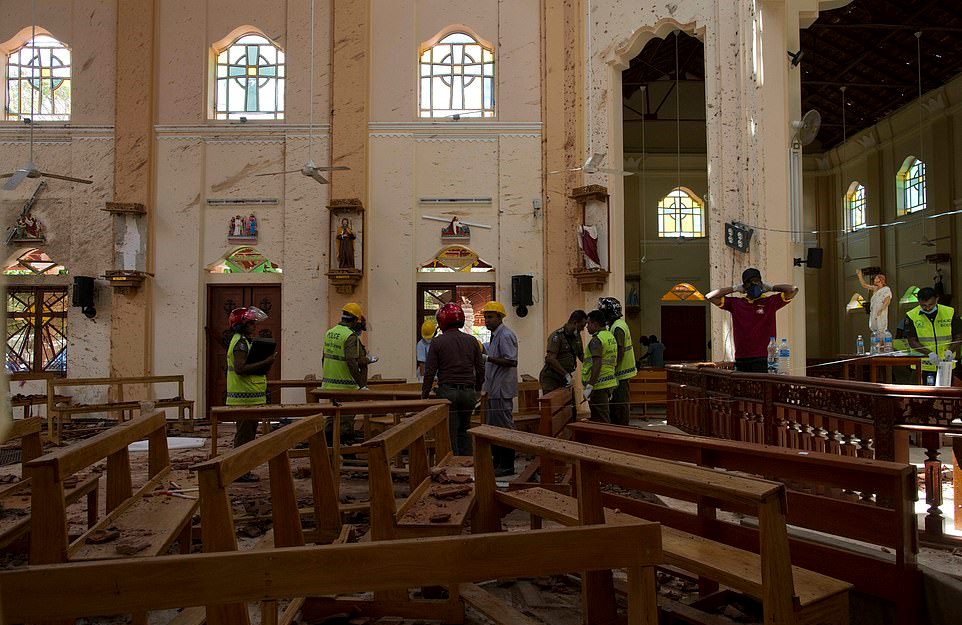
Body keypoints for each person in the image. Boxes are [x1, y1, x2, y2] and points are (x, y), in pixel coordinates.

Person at [421, 303, 485, 456]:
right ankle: (468, 464)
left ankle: (453, 465)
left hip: (447, 392)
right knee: (465, 430)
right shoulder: (472, 341)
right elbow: (480, 369)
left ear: (442, 321)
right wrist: (477, 390)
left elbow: (430, 372)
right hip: (468, 393)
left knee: (450, 433)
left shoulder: (437, 342)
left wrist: (425, 394)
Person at [706, 268, 799, 373]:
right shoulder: (736, 303)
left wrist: (772, 288)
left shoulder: (770, 302)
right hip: (742, 358)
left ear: (761, 283)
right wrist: (735, 288)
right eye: (749, 282)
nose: (753, 284)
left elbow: (793, 290)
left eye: (756, 281)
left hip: (764, 358)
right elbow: (710, 296)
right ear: (744, 286)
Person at [225, 306, 276, 482]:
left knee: (247, 435)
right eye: (251, 323)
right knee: (244, 437)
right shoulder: (240, 343)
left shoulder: (244, 341)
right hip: (243, 398)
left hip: (250, 397)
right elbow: (240, 369)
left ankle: (243, 470)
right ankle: (239, 471)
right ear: (241, 325)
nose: (254, 326)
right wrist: (266, 361)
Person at [481, 301, 519, 477]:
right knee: (495, 427)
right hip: (494, 389)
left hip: (502, 389)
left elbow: (511, 361)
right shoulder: (495, 335)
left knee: (504, 427)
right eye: (485, 317)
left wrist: (488, 359)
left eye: (490, 317)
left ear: (500, 317)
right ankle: (497, 462)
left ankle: (507, 465)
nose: (487, 320)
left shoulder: (505, 335)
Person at [903, 287, 962, 385]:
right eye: (923, 305)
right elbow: (912, 341)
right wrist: (929, 353)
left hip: (945, 363)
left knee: (946, 392)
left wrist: (951, 350)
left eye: (931, 304)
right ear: (918, 301)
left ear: (937, 299)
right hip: (922, 364)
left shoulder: (949, 312)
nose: (927, 308)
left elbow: (959, 336)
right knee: (920, 393)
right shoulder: (911, 315)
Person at [598, 297, 636, 426]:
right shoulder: (618, 324)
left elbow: (619, 350)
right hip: (622, 371)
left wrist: (612, 369)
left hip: (621, 372)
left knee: (620, 404)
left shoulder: (617, 327)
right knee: (617, 404)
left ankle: (622, 429)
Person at [582, 310, 618, 423]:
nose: (586, 327)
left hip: (598, 384)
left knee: (600, 419)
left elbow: (597, 363)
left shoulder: (597, 340)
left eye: (589, 324)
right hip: (608, 381)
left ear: (595, 324)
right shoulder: (609, 336)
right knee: (602, 415)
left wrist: (590, 386)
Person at [539, 310, 587, 393]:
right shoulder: (557, 336)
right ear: (575, 323)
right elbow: (551, 359)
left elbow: (580, 354)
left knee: (568, 400)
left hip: (564, 377)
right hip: (552, 378)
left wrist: (592, 365)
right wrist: (566, 374)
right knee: (553, 400)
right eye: (582, 326)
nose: (582, 329)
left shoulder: (576, 336)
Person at [321, 303, 367, 390]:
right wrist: (362, 386)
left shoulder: (329, 332)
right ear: (355, 320)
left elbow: (324, 358)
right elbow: (351, 363)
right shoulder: (350, 336)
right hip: (346, 387)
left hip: (327, 386)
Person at [857, 269, 892, 335]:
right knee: (874, 329)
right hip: (874, 311)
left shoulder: (886, 289)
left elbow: (887, 301)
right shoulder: (875, 288)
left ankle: (882, 340)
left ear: (881, 280)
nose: (874, 280)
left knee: (881, 328)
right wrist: (860, 276)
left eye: (876, 278)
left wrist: (881, 309)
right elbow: (864, 285)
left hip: (881, 311)